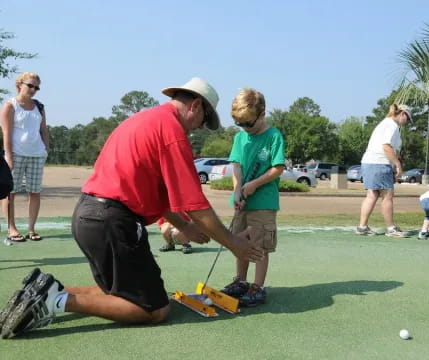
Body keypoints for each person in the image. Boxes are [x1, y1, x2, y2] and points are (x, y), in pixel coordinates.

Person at [0, 77, 264, 339]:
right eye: (203, 121)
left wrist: (185, 226)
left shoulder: (146, 120)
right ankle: (55, 302)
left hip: (90, 216)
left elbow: (158, 195)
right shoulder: (172, 133)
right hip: (111, 221)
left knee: (120, 294)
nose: (198, 128)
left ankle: (48, 289)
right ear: (195, 106)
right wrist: (233, 244)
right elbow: (197, 205)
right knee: (155, 309)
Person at [220, 88, 285, 307]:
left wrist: (254, 185)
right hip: (242, 201)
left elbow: (277, 169)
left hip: (263, 202)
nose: (245, 128)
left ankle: (257, 287)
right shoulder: (240, 137)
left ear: (262, 113)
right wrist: (238, 189)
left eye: (248, 123)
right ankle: (241, 281)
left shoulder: (273, 136)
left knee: (259, 244)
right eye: (240, 124)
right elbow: (236, 167)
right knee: (239, 240)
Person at [0, 72, 49, 242]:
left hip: (37, 154)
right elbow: (6, 133)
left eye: (36, 87)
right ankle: (12, 228)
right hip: (16, 154)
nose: (33, 89)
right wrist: (8, 157)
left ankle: (31, 229)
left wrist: (46, 149)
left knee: (34, 192)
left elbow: (44, 130)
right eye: (30, 85)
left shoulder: (39, 107)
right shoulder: (10, 106)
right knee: (10, 193)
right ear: (20, 84)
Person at [356, 104, 413, 237]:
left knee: (372, 195)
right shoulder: (391, 125)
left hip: (370, 162)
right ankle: (391, 229)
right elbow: (386, 147)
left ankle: (362, 227)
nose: (408, 122)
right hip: (380, 163)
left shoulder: (386, 124)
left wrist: (394, 165)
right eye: (408, 119)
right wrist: (398, 165)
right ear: (403, 114)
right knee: (387, 196)